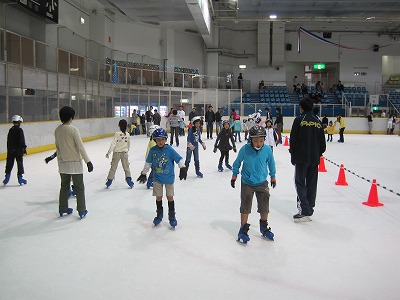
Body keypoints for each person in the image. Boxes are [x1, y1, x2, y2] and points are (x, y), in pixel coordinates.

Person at [231, 125, 277, 243]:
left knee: (264, 205)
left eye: (261, 140)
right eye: (256, 140)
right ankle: (243, 229)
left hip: (262, 182)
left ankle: (264, 227)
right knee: (246, 205)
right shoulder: (245, 149)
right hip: (247, 182)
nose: (258, 143)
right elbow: (237, 163)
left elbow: (271, 163)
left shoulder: (267, 149)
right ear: (250, 139)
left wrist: (273, 177)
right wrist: (234, 175)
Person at [136, 128, 187, 228]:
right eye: (158, 140)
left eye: (162, 139)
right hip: (157, 179)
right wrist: (143, 173)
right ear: (155, 140)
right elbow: (148, 163)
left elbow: (179, 158)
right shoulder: (153, 150)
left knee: (170, 197)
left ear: (165, 139)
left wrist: (183, 167)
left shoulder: (169, 150)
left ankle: (172, 216)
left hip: (169, 178)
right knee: (159, 197)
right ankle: (159, 215)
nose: (160, 142)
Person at [289, 98, 326, 222]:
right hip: (314, 159)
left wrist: (293, 155)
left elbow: (293, 139)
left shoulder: (299, 120)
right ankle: (310, 206)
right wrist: (318, 153)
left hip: (301, 157)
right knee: (312, 183)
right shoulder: (317, 121)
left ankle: (305, 209)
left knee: (299, 182)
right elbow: (323, 144)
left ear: (302, 107)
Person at [55, 106, 93, 219]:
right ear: (71, 118)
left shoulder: (57, 130)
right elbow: (80, 147)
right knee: (79, 187)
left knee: (64, 186)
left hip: (63, 163)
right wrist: (88, 161)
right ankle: (81, 210)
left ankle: (62, 208)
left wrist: (59, 162)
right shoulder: (73, 130)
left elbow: (58, 148)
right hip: (75, 164)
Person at [105, 119, 133, 189]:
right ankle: (129, 180)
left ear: (119, 125)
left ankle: (109, 181)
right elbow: (128, 144)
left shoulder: (117, 134)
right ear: (126, 126)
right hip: (124, 153)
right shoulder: (128, 134)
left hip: (116, 153)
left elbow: (113, 144)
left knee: (113, 167)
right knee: (126, 167)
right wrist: (126, 151)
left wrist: (109, 152)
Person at [3, 115, 28, 185]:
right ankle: (20, 178)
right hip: (18, 151)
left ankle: (7, 178)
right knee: (19, 163)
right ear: (19, 122)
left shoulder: (11, 130)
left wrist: (9, 150)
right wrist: (24, 149)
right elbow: (21, 141)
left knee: (9, 163)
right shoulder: (20, 130)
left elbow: (9, 141)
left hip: (11, 150)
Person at [144, 124, 160, 189]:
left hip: (150, 157)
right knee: (154, 170)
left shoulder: (153, 139)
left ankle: (152, 181)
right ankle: (149, 182)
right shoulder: (154, 141)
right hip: (152, 158)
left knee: (155, 170)